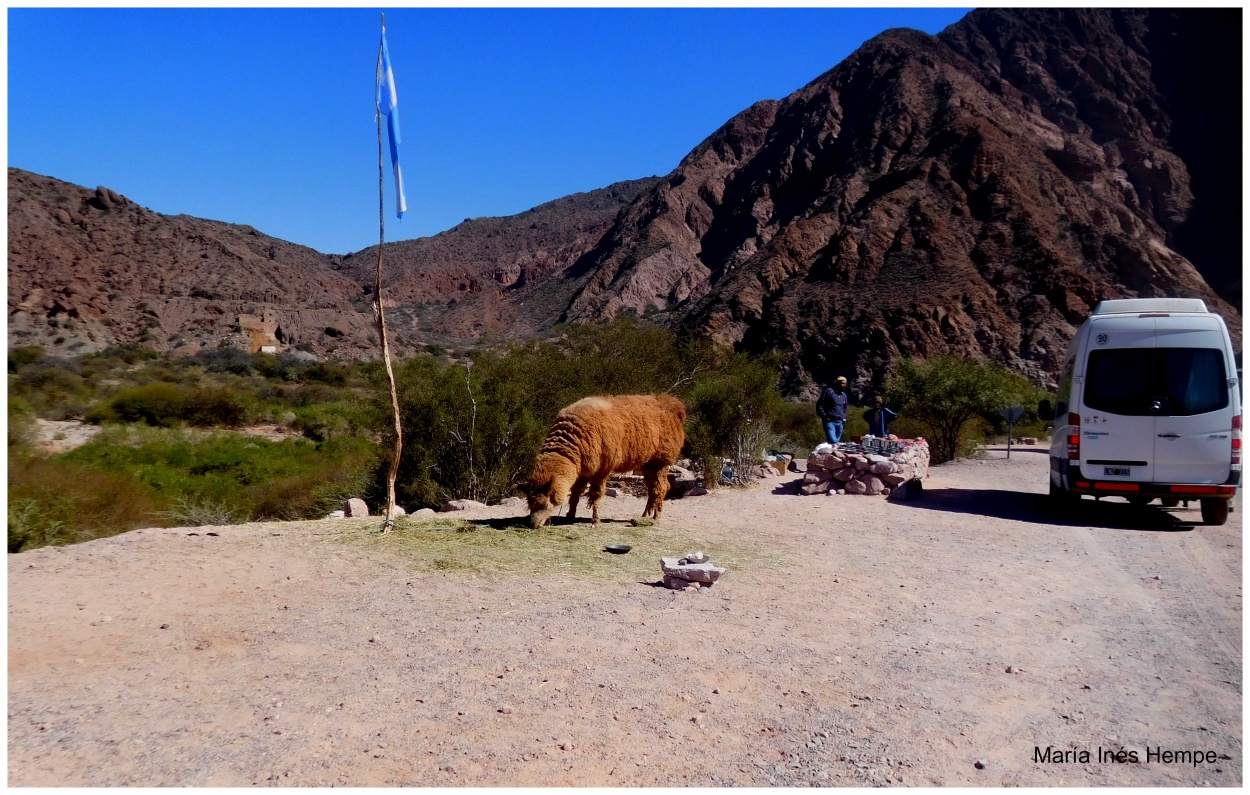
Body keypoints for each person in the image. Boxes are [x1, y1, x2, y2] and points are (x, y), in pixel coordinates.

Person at [816, 375, 851, 444]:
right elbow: (820, 405)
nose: (844, 385)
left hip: (840, 422)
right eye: (842, 383)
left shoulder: (844, 395)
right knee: (833, 441)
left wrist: (844, 417)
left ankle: (830, 454)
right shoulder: (829, 391)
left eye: (845, 384)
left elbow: (844, 408)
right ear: (837, 383)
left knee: (836, 442)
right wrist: (824, 416)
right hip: (830, 421)